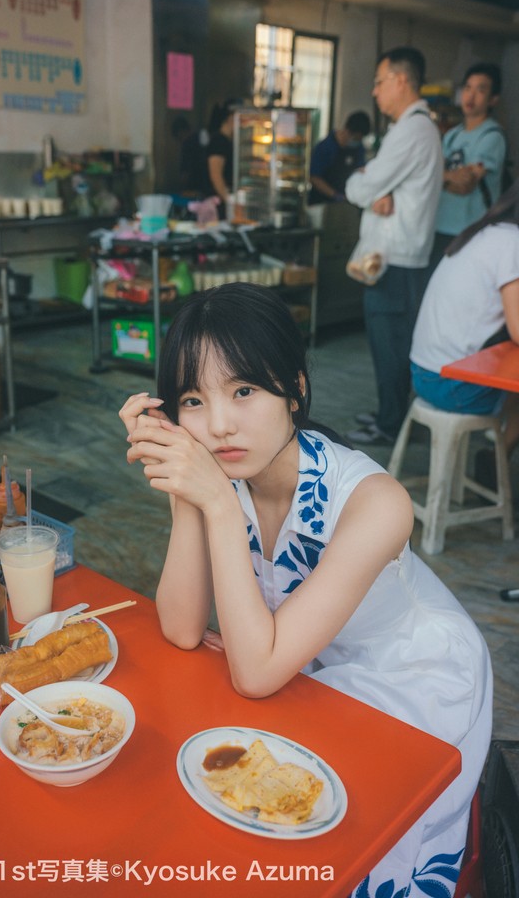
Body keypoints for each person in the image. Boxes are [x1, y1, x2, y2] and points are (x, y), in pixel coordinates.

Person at [119, 282, 491, 898]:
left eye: (244, 390)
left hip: (407, 679)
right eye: (192, 401)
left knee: (329, 850)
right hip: (294, 664)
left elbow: (255, 674)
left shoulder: (375, 502)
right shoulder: (220, 474)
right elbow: (182, 629)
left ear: (294, 389)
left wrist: (216, 503)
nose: (218, 424)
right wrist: (188, 493)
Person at [344, 47, 443, 445]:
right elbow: (376, 188)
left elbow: (362, 186)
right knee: (390, 341)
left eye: (379, 82)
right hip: (398, 256)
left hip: (396, 260)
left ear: (401, 81)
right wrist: (375, 191)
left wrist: (363, 182)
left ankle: (390, 425)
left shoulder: (412, 130)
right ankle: (391, 414)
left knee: (390, 344)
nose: (375, 91)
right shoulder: (414, 127)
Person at [411, 178, 519, 486]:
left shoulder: (485, 231)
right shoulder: (513, 242)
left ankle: (496, 457)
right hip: (448, 383)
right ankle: (498, 458)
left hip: (423, 372)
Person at [430, 63, 506, 270]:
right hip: (440, 226)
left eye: (480, 90)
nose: (470, 96)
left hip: (471, 232)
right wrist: (448, 177)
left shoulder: (491, 136)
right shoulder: (452, 135)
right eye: (467, 88)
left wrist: (440, 177)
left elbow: (465, 185)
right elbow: (434, 174)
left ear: (493, 99)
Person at [308, 110, 371, 204]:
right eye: (357, 138)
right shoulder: (325, 147)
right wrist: (336, 195)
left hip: (348, 201)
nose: (358, 142)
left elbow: (361, 170)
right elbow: (315, 177)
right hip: (321, 202)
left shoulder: (359, 148)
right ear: (348, 132)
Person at [205, 99, 238, 215]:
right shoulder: (218, 141)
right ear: (230, 118)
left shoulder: (229, 141)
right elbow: (216, 175)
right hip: (217, 205)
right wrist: (230, 201)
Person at [171, 116, 209, 197]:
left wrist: (181, 189)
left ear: (180, 133)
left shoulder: (187, 145)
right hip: (206, 187)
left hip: (193, 188)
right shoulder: (200, 140)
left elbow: (185, 173)